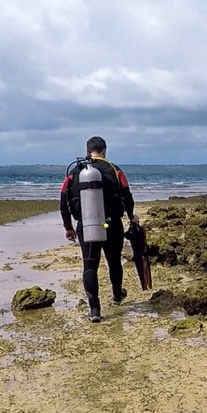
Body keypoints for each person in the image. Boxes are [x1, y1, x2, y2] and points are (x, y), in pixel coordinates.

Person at [60, 136, 139, 322]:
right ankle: (117, 295)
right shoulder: (115, 170)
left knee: (90, 265)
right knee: (114, 262)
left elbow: (64, 202)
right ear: (105, 151)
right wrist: (131, 216)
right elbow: (127, 196)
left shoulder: (75, 172)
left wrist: (68, 227)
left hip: (87, 225)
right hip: (112, 224)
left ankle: (95, 310)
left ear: (87, 152)